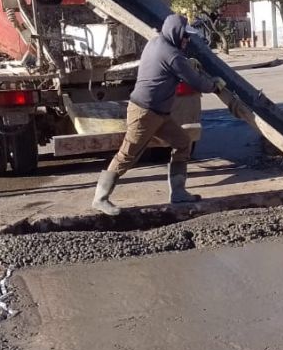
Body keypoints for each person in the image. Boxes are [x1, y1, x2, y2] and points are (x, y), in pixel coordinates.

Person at [92, 14, 225, 215]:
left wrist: (185, 63)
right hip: (144, 113)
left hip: (159, 113)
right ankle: (100, 198)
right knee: (127, 154)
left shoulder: (155, 43)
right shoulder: (172, 54)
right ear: (176, 34)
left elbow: (174, 67)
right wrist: (214, 85)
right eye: (185, 36)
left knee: (182, 142)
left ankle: (178, 193)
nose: (187, 40)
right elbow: (197, 83)